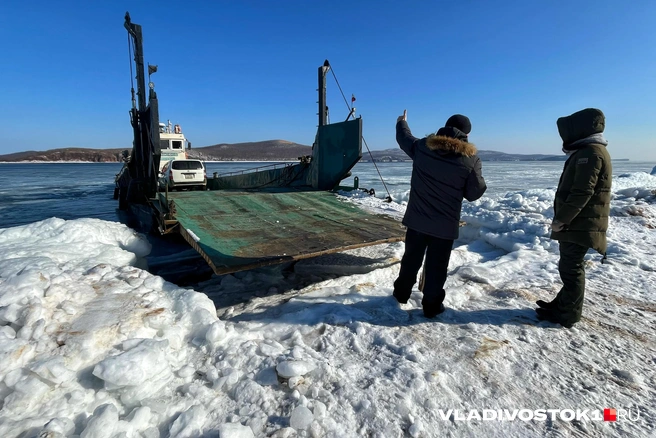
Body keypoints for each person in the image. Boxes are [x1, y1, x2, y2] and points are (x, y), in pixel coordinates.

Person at [393, 110, 487, 317]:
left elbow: (404, 138)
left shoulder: (423, 147)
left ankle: (400, 295)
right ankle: (432, 306)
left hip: (417, 221)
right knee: (437, 268)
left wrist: (402, 122)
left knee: (411, 260)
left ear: (444, 128)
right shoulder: (471, 160)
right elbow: (474, 193)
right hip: (444, 226)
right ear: (467, 135)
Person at [536, 108, 612, 328]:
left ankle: (567, 314)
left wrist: (562, 219)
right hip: (580, 223)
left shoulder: (590, 153)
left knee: (571, 269)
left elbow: (582, 192)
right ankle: (562, 305)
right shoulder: (588, 151)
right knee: (570, 267)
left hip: (580, 224)